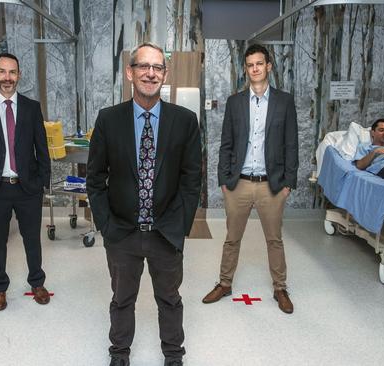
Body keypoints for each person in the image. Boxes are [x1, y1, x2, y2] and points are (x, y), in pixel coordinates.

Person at [87, 42, 201, 366]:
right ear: (130, 72)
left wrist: (181, 225)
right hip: (122, 232)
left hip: (166, 231)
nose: (150, 73)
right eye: (143, 66)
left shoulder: (184, 121)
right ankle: (119, 354)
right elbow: (95, 179)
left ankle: (174, 356)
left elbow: (192, 181)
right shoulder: (108, 120)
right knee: (122, 299)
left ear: (165, 75)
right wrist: (107, 226)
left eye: (157, 67)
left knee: (170, 299)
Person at [202, 44, 298, 315]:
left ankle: (280, 288)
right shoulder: (235, 102)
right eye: (250, 65)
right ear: (247, 69)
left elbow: (292, 143)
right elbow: (226, 144)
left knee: (274, 240)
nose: (255, 68)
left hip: (272, 184)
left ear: (268, 66)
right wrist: (224, 179)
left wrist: (288, 182)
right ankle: (224, 283)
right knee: (232, 238)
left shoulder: (284, 101)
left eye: (259, 63)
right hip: (239, 183)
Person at [0, 52, 51, 311]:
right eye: (2, 72)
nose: (7, 77)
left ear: (19, 75)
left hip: (28, 187)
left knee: (31, 239)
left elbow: (42, 147)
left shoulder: (31, 107)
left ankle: (37, 282)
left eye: (12, 72)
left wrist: (42, 182)